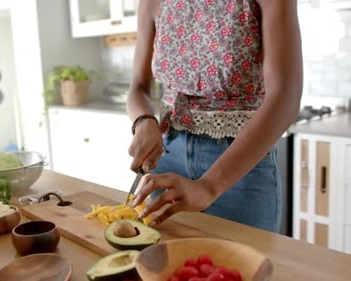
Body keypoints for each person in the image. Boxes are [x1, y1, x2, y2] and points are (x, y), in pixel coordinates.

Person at [126, 0, 303, 232]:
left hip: (239, 168)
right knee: (164, 264)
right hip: (167, 160)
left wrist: (209, 186)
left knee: (242, 267)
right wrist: (143, 120)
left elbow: (286, 97)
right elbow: (137, 88)